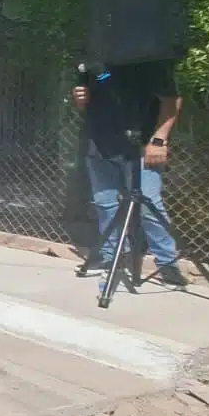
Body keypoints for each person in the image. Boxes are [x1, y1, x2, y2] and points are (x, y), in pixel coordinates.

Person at [73, 61, 188, 289]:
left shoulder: (150, 61)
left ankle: (168, 263)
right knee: (105, 204)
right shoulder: (94, 63)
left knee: (149, 204)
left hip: (141, 146)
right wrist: (80, 100)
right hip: (99, 146)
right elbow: (85, 104)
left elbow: (172, 101)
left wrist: (159, 140)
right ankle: (112, 256)